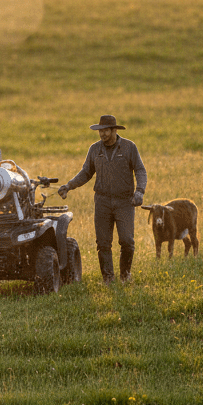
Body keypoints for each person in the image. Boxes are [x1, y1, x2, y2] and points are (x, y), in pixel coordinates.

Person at [58, 115, 147, 284]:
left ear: (114, 130)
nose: (102, 134)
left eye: (106, 130)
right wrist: (69, 186)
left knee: (127, 240)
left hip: (124, 202)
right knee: (103, 243)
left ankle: (125, 275)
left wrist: (140, 192)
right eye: (100, 131)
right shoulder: (94, 149)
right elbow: (86, 173)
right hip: (102, 202)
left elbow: (140, 171)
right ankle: (108, 278)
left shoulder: (129, 147)